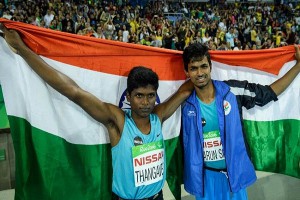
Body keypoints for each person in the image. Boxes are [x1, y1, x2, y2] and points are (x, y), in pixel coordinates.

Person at [0, 25, 193, 199]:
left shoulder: (158, 116)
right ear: (128, 96)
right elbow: (73, 92)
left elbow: (186, 89)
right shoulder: (117, 121)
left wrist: (212, 62)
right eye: (139, 96)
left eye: (151, 96)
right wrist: (23, 50)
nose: (145, 102)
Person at [181, 43, 300, 200]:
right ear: (186, 72)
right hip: (205, 181)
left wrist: (298, 65)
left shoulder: (232, 91)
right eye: (194, 68)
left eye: (203, 66)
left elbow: (268, 93)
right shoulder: (184, 102)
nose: (200, 72)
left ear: (211, 67)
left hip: (233, 178)